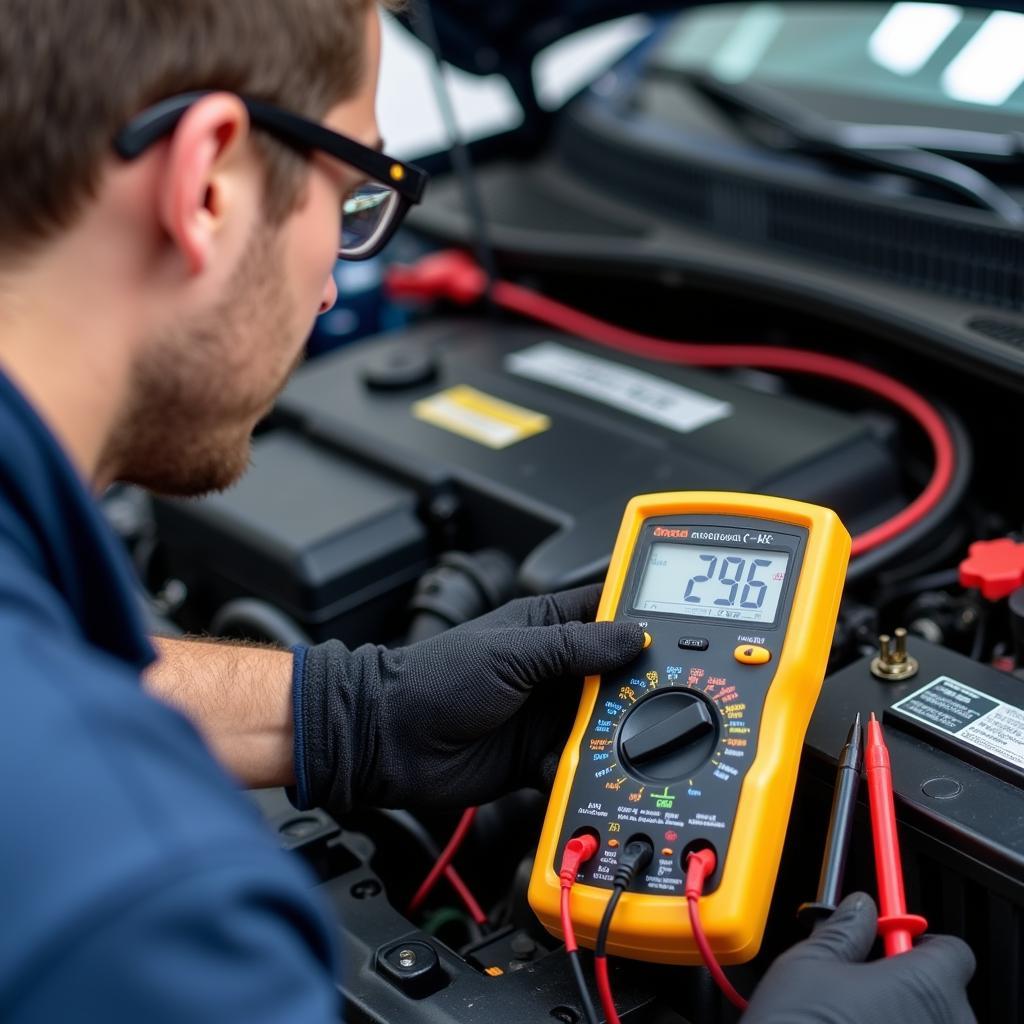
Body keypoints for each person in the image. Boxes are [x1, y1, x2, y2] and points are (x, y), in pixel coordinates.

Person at [0, 1, 977, 1021]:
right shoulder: (135, 900)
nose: (337, 288)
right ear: (207, 183)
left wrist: (350, 711)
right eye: (349, 204)